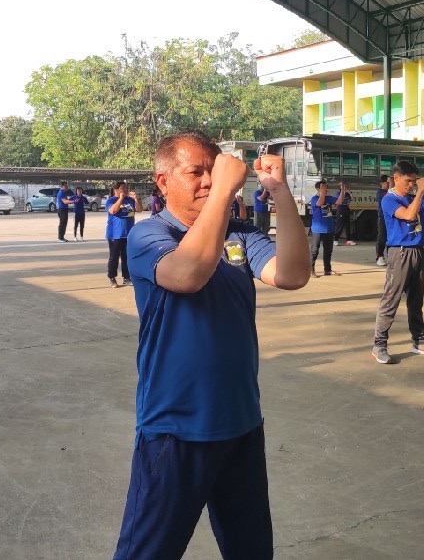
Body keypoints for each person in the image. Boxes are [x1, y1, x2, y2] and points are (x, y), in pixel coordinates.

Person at [113, 130, 311, 560]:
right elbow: (187, 274)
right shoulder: (149, 235)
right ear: (163, 181)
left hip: (241, 423)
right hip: (175, 429)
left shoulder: (239, 235)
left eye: (213, 170)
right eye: (195, 172)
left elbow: (293, 274)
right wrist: (223, 188)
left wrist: (280, 194)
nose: (207, 180)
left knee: (251, 551)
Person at [372, 162, 424, 365]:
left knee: (416, 300)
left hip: (418, 251)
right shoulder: (389, 200)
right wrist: (421, 191)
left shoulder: (416, 198)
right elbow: (408, 215)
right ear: (396, 178)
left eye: (414, 181)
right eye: (408, 181)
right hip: (400, 252)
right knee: (391, 299)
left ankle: (419, 341)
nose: (411, 185)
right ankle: (379, 345)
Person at [106, 182, 137, 287]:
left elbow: (139, 209)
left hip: (128, 233)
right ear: (116, 189)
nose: (125, 189)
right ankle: (112, 277)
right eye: (122, 188)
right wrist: (120, 199)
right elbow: (113, 210)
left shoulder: (129, 200)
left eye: (125, 187)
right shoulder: (111, 200)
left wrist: (135, 199)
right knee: (114, 257)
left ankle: (126, 277)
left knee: (127, 257)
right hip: (115, 234)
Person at [308, 180, 339, 276]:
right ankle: (311, 270)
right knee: (314, 250)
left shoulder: (328, 198)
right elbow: (320, 203)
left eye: (326, 188)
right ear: (318, 189)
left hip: (329, 229)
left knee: (328, 251)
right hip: (318, 229)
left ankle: (327, 270)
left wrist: (343, 190)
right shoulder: (314, 199)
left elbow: (339, 201)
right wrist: (322, 192)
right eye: (324, 188)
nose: (326, 190)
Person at [375, 175, 389, 266]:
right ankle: (379, 256)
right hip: (382, 217)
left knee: (390, 238)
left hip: (391, 218)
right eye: (387, 183)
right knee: (382, 237)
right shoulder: (380, 192)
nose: (389, 184)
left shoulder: (392, 191)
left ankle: (390, 256)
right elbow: (385, 201)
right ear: (382, 183)